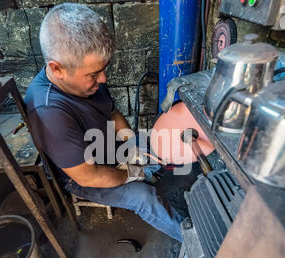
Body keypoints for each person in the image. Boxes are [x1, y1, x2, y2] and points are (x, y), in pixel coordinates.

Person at [24, 3, 183, 242]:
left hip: (106, 145)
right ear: (57, 69)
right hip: (84, 173)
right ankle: (198, 241)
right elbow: (88, 176)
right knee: (144, 197)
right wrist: (131, 173)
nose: (103, 79)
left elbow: (111, 113)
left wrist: (132, 145)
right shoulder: (49, 112)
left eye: (103, 69)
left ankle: (154, 169)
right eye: (93, 75)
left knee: (159, 145)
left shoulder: (85, 78)